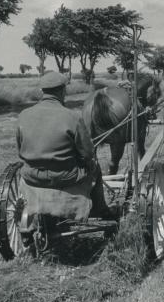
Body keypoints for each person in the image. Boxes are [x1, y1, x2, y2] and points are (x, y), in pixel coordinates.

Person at [16, 71, 115, 219]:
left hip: (32, 176)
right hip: (65, 177)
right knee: (96, 167)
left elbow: (20, 149)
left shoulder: (23, 115)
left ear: (42, 91)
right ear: (63, 91)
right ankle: (100, 209)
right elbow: (88, 154)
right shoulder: (73, 117)